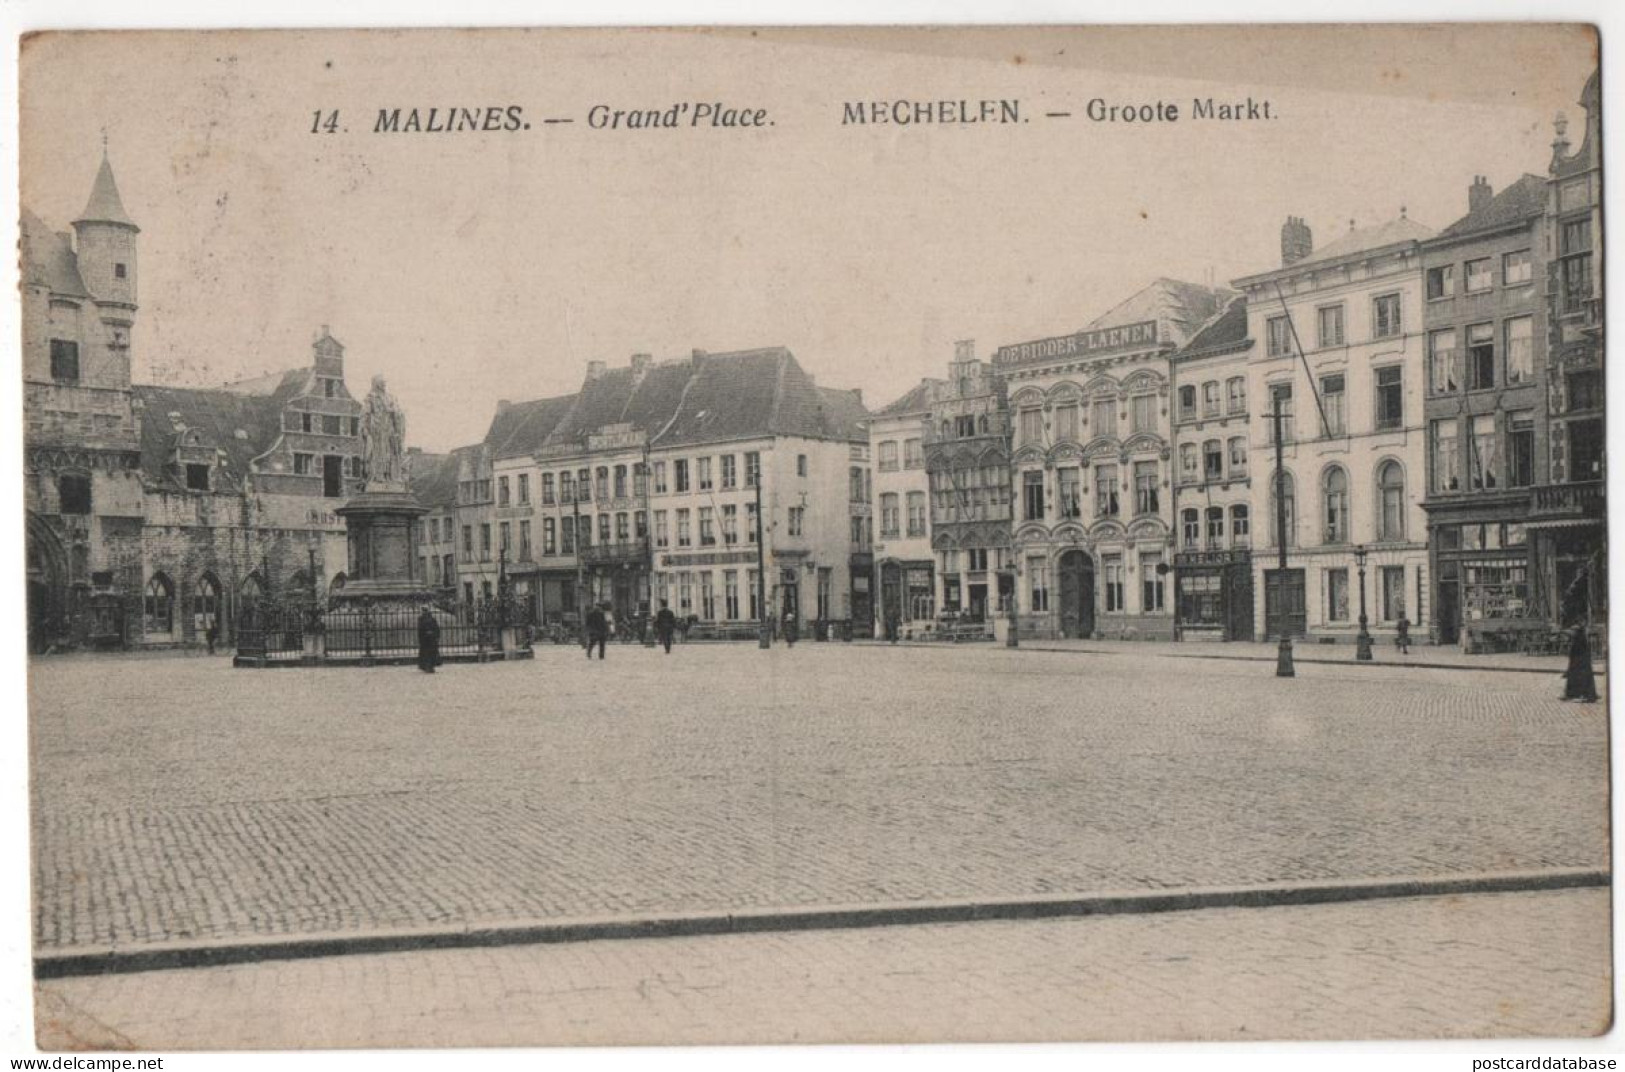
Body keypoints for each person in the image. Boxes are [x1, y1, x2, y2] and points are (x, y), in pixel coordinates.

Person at [1562, 623, 1599, 703]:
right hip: (1577, 663)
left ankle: (1581, 695)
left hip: (1580, 664)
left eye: (1574, 631)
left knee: (1580, 679)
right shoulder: (1579, 639)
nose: (1572, 633)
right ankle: (1572, 694)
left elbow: (1578, 652)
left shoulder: (1579, 641)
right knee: (1573, 678)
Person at [416, 605, 441, 673]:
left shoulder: (422, 619)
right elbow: (437, 629)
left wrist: (421, 637)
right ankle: (429, 666)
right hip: (430, 638)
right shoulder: (432, 619)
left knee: (426, 653)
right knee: (430, 653)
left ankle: (427, 666)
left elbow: (420, 629)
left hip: (426, 638)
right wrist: (436, 636)